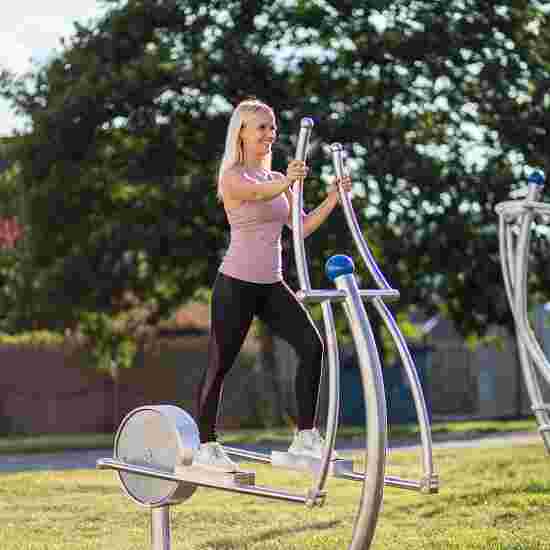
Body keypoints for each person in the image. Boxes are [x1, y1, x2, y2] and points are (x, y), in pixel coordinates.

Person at [194, 99, 352, 471]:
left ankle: (305, 436)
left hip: (272, 283)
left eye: (273, 127)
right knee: (220, 364)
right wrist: (288, 180)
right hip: (236, 283)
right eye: (261, 127)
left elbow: (300, 227)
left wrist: (333, 198)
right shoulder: (233, 176)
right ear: (242, 133)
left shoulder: (275, 180)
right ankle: (206, 446)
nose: (269, 134)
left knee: (313, 347)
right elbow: (256, 195)